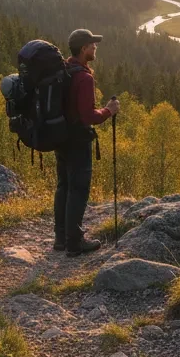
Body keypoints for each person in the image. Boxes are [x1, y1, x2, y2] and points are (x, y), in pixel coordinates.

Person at [54, 28, 120, 256]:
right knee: (78, 189)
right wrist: (109, 111)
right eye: (92, 44)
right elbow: (88, 116)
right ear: (83, 49)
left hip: (60, 137)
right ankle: (75, 243)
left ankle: (60, 239)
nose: (95, 47)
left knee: (63, 186)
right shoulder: (83, 77)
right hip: (78, 140)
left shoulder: (63, 70)